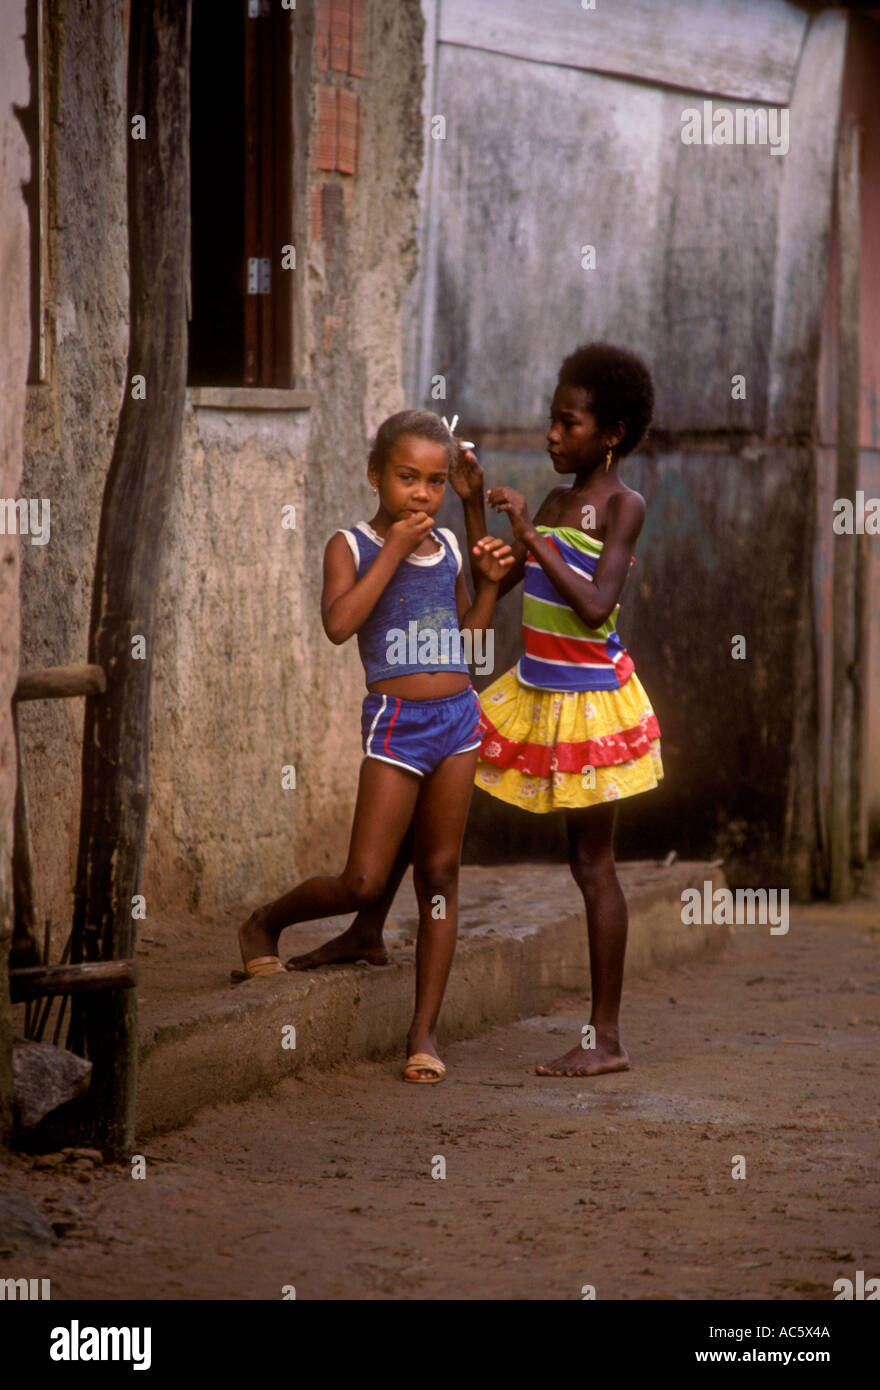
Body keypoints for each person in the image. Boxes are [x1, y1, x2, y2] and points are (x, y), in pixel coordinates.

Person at [298, 344, 663, 1080]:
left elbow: (593, 607)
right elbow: (499, 578)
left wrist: (527, 532)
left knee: (592, 864)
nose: (552, 436)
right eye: (551, 420)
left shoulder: (624, 505)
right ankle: (368, 925)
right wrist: (472, 502)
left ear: (612, 433)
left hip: (591, 703)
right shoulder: (559, 502)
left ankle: (607, 1038)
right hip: (538, 691)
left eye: (568, 423)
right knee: (427, 794)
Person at [235, 409, 513, 1084]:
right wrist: (391, 550)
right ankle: (263, 925)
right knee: (363, 877)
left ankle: (424, 1032)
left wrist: (493, 588)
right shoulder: (351, 545)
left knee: (439, 875)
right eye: (407, 478)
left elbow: (469, 645)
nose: (421, 494)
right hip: (395, 724)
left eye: (436, 481)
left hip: (458, 721)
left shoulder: (447, 547)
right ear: (375, 476)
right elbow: (338, 625)